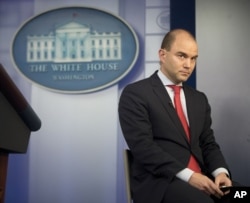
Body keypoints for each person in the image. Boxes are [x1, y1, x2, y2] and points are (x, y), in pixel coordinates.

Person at [118, 29, 233, 203]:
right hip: (161, 184)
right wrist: (190, 177)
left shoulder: (199, 99)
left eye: (193, 58)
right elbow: (143, 148)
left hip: (205, 179)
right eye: (182, 56)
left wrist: (220, 172)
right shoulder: (136, 94)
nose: (188, 64)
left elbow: (208, 144)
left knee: (243, 195)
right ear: (162, 55)